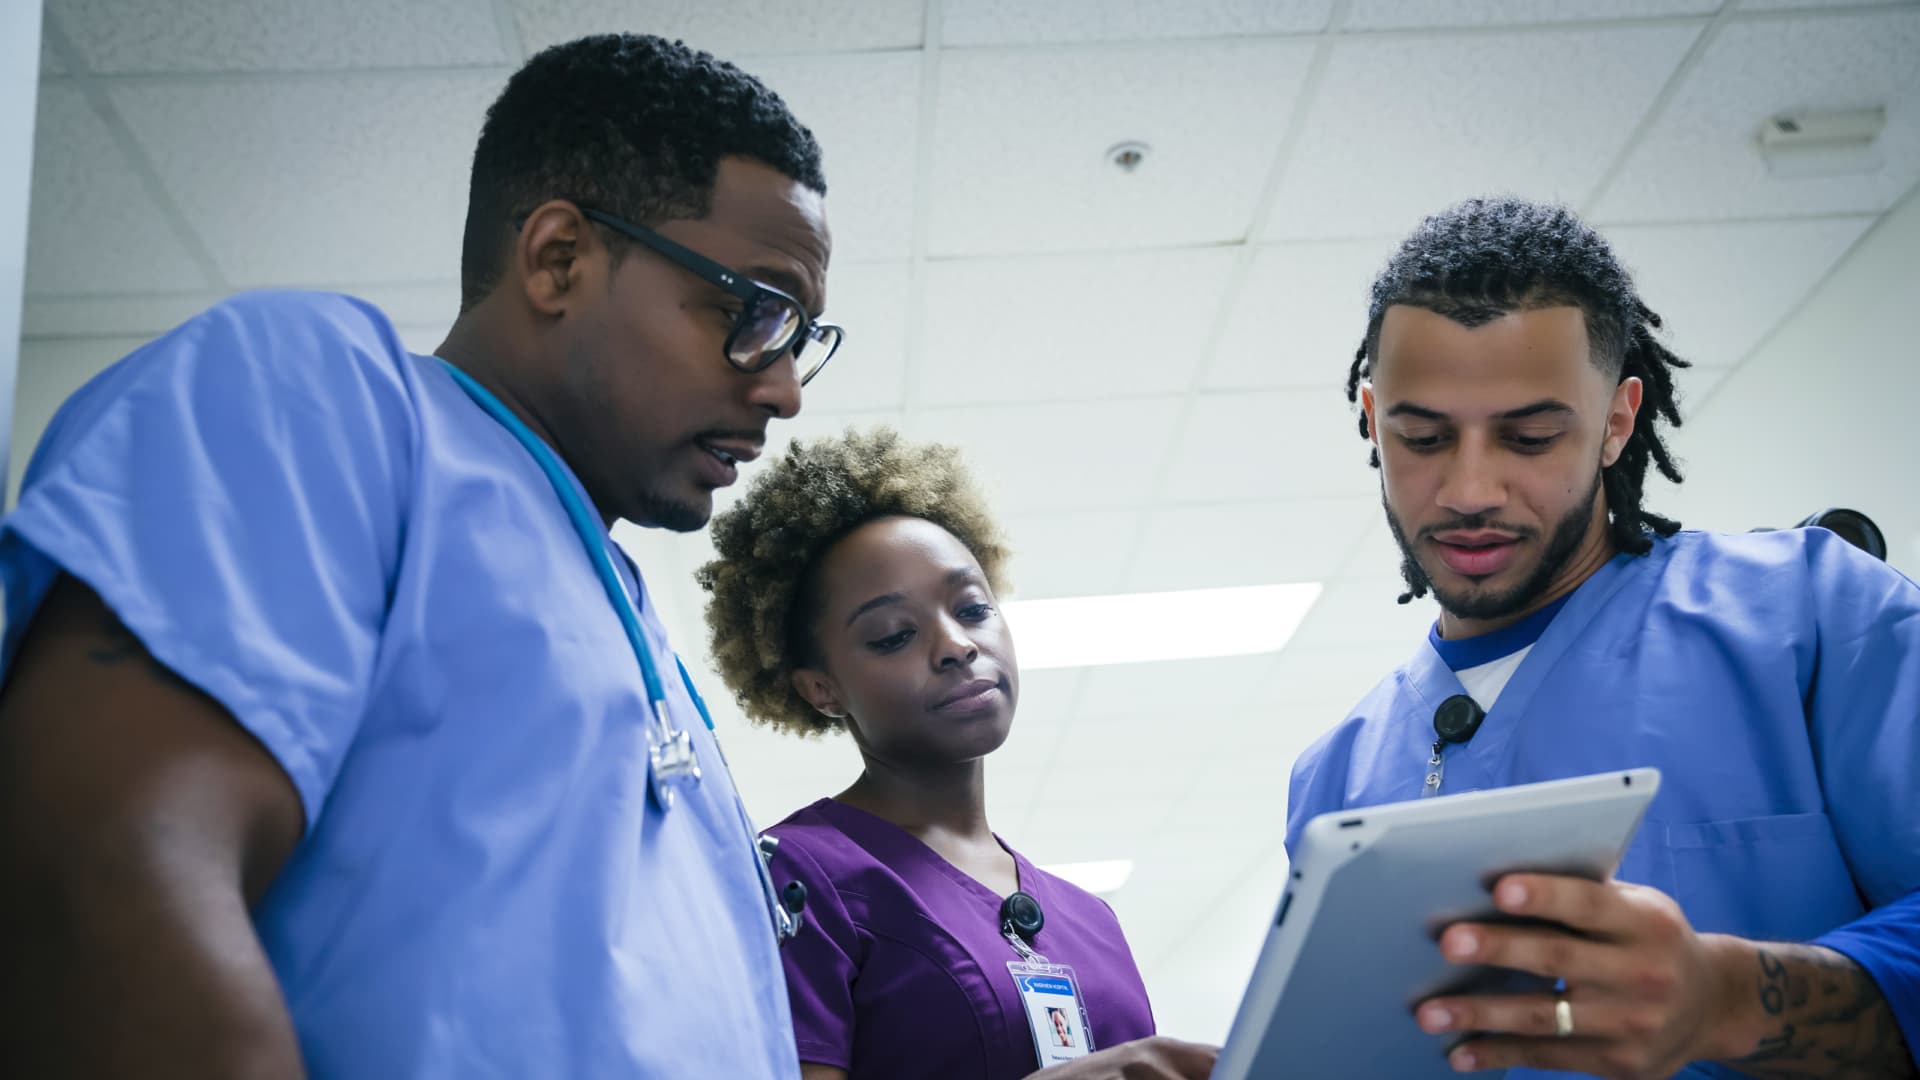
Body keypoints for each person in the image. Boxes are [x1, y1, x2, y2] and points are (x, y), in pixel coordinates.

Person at [0, 33, 839, 1077]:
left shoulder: (627, 618)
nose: (784, 388)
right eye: (755, 313)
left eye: (802, 337)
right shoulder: (324, 397)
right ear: (558, 258)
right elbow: (97, 883)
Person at [1287, 196, 1919, 1079]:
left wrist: (1727, 996)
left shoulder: (1808, 618)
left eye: (1531, 436)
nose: (1470, 488)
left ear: (1619, 420)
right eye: (1423, 437)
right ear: (1369, 417)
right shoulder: (1335, 777)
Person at [698, 428, 1217, 1080]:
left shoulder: (1092, 920)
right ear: (821, 688)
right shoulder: (798, 882)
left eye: (972, 608)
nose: (956, 646)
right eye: (893, 636)